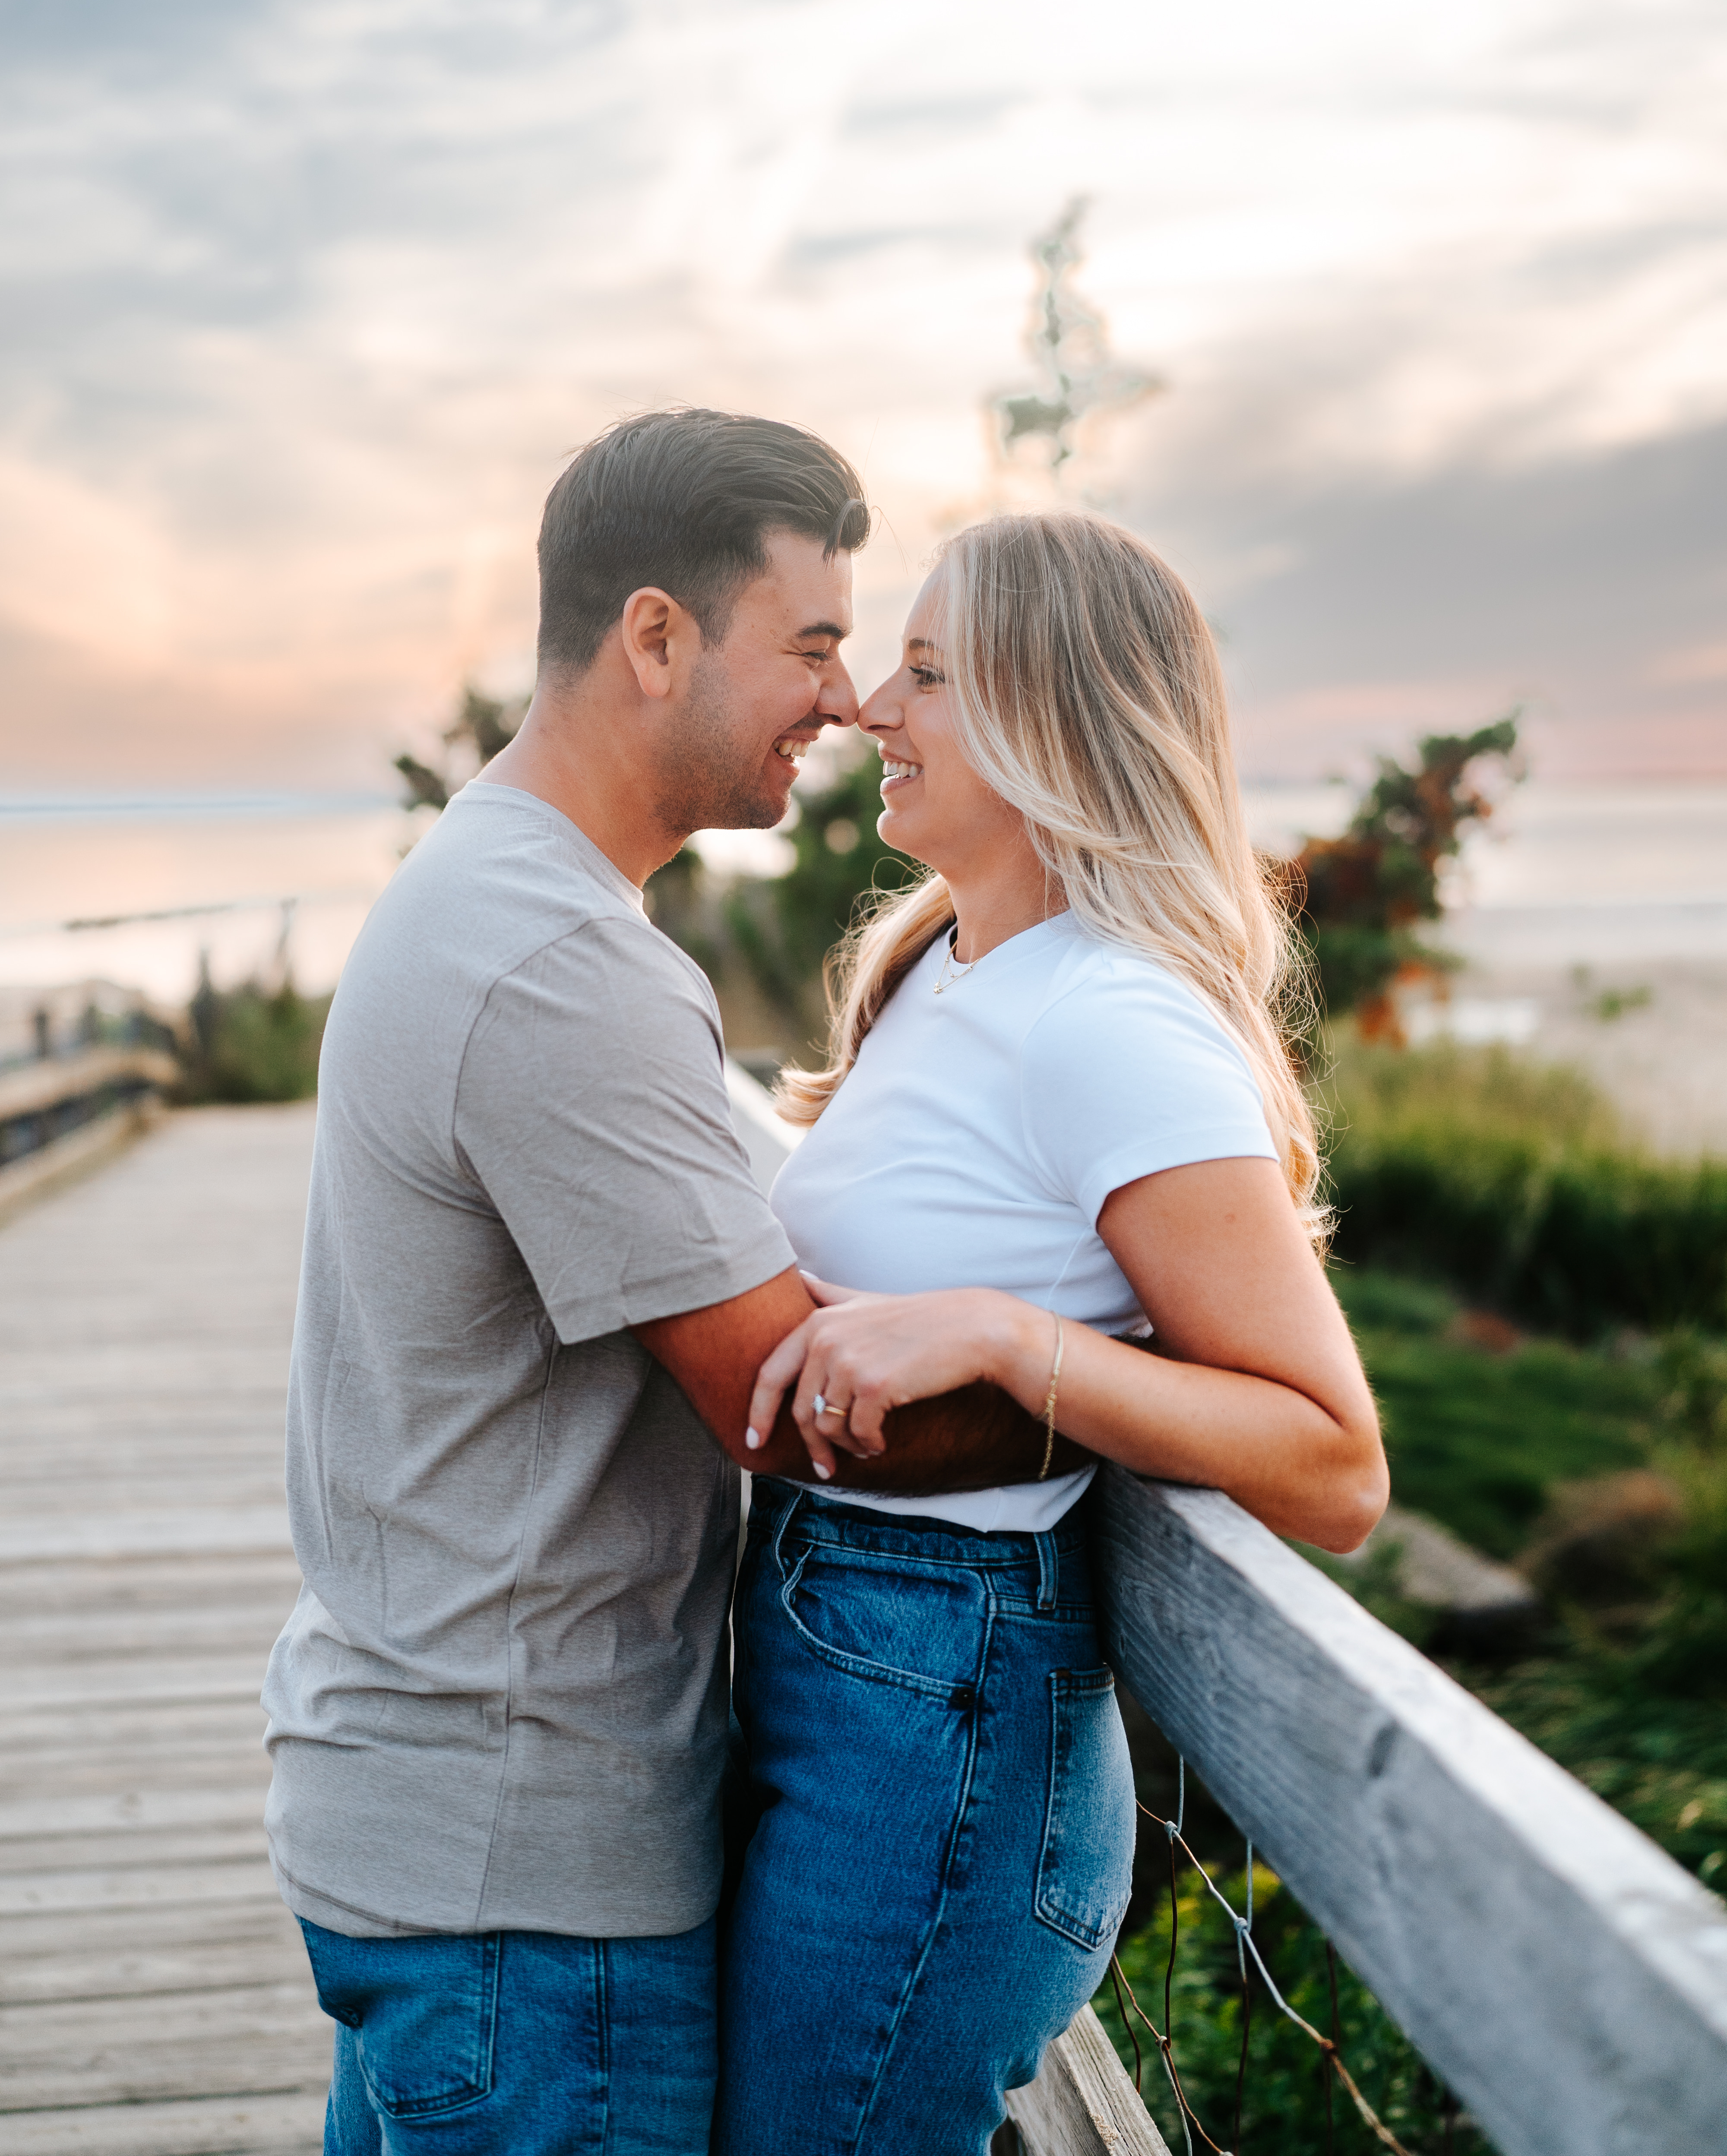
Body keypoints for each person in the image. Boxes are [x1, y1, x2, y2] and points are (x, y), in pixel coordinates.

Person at [262, 410, 1047, 2156]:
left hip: (438, 1829)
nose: (846, 703)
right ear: (655, 638)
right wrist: (1141, 1392)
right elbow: (792, 1413)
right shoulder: (553, 959)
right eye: (816, 644)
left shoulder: (494, 893)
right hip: (524, 1884)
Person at [715, 510, 1389, 2156]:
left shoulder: (1112, 1021)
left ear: (1060, 719)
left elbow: (1333, 1460)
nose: (873, 705)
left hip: (936, 1713)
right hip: (832, 1653)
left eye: (929, 673)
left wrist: (1016, 1343)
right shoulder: (939, 961)